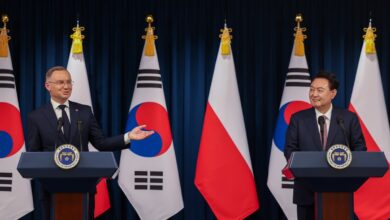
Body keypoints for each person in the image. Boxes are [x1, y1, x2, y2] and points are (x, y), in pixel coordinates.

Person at [27, 66, 154, 219]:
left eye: (69, 82)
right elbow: (34, 154)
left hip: (83, 187)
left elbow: (101, 143)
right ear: (48, 86)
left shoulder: (84, 111)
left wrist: (128, 137)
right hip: (51, 190)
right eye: (60, 82)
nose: (66, 86)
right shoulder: (36, 117)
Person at [284, 72, 366, 220]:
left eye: (319, 90)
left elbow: (360, 149)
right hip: (306, 191)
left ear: (333, 93)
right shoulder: (298, 119)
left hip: (340, 191)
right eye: (311, 89)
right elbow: (290, 150)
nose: (314, 94)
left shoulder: (348, 119)